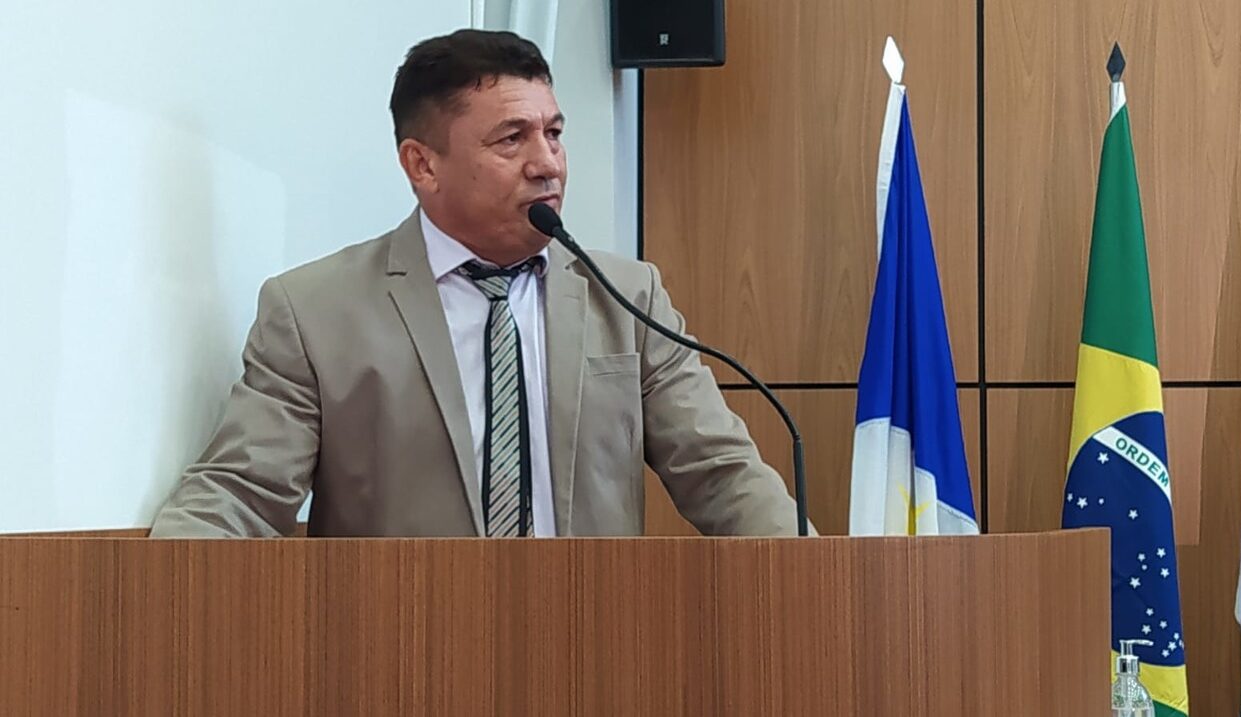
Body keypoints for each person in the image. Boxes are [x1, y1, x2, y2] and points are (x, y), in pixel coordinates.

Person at [149, 29, 803, 538]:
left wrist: (819, 579)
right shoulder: (315, 311)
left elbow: (721, 473)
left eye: (553, 134)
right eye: (511, 139)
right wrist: (156, 592)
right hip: (400, 646)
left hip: (593, 640)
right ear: (422, 165)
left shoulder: (627, 298)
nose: (547, 163)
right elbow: (242, 490)